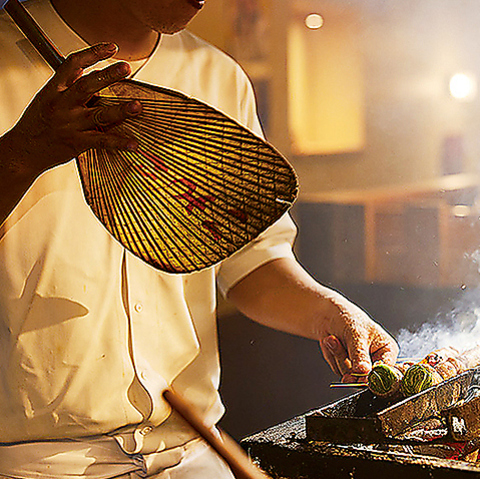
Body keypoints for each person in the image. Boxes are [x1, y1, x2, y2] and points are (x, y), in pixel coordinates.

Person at [0, 0, 399, 476]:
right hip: (32, 461)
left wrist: (325, 310)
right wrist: (23, 153)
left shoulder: (217, 75)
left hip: (193, 449)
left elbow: (249, 260)